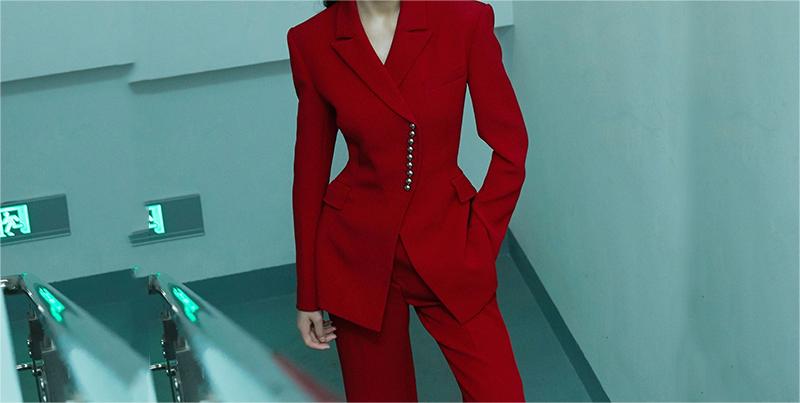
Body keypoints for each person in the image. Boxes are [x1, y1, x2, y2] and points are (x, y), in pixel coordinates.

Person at [286, 0, 529, 401]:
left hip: (449, 243)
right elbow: (309, 178)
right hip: (357, 256)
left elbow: (511, 147)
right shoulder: (311, 41)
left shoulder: (464, 20)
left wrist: (482, 239)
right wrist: (308, 293)